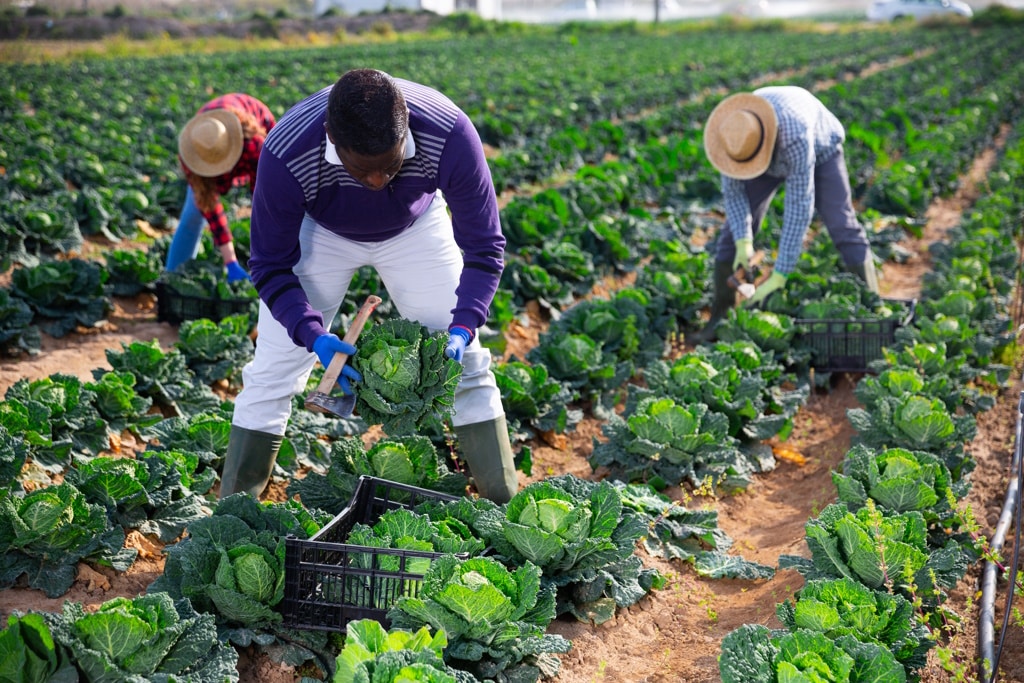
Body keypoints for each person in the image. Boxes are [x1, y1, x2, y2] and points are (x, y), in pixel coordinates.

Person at [219, 69, 519, 504]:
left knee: (466, 366)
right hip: (321, 230)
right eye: (363, 169)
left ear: (408, 125)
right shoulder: (288, 151)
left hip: (414, 227)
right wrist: (313, 335)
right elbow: (269, 266)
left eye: (391, 165)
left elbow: (485, 248)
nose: (378, 182)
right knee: (272, 371)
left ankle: (502, 501)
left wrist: (462, 328)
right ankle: (233, 511)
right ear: (330, 137)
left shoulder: (449, 133)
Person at [699, 86, 879, 340]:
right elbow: (734, 196)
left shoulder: (795, 134)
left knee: (841, 223)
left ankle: (873, 310)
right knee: (730, 236)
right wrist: (743, 241)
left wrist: (779, 275)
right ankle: (718, 319)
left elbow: (798, 207)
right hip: (761, 153)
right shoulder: (732, 139)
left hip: (821, 150)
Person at [167, 93, 277, 282]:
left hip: (254, 127)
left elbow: (264, 200)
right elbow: (209, 206)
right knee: (192, 214)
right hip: (211, 135)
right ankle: (172, 279)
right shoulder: (193, 153)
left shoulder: (254, 146)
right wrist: (230, 262)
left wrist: (265, 256)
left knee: (275, 208)